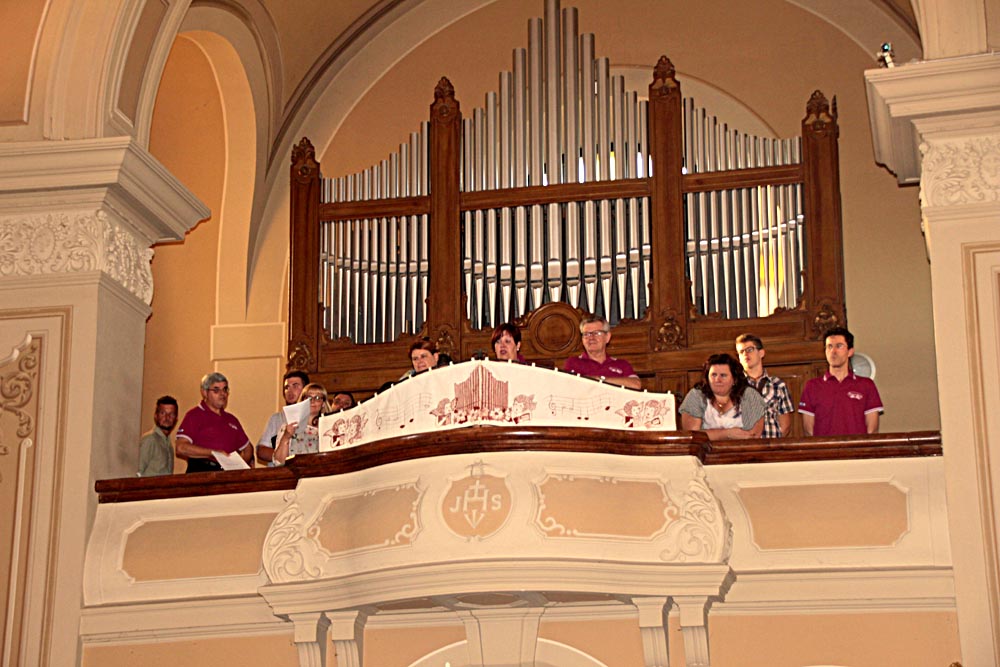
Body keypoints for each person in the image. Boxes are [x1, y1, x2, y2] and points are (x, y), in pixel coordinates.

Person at [799, 326, 883, 436]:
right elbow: (808, 431)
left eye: (839, 346)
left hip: (856, 447)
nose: (833, 351)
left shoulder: (866, 385)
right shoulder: (812, 386)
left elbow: (872, 430)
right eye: (829, 346)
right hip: (825, 447)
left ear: (850, 351)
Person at [175, 372, 254, 472]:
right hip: (202, 472)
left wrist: (238, 467)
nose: (222, 394)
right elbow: (181, 447)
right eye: (216, 390)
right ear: (204, 392)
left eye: (225, 389)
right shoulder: (194, 415)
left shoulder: (232, 420)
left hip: (227, 475)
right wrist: (213, 453)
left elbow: (248, 448)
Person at [679, 353, 767, 440]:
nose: (718, 379)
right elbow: (693, 435)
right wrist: (727, 434)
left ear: (734, 379)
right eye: (713, 375)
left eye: (723, 375)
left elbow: (752, 435)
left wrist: (710, 435)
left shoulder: (749, 395)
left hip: (741, 449)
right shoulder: (696, 396)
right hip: (703, 449)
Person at [735, 334, 794, 437]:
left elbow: (785, 426)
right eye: (741, 352)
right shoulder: (734, 386)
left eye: (749, 350)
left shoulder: (777, 385)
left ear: (761, 353)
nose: (745, 354)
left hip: (772, 443)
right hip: (744, 444)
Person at [563, 315, 641, 389]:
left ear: (607, 337)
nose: (591, 338)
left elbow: (636, 385)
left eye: (596, 333)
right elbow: (569, 386)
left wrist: (600, 379)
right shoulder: (573, 363)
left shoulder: (622, 364)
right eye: (586, 334)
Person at [257, 370, 310, 466]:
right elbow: (261, 451)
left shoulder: (313, 417)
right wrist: (282, 454)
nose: (290, 391)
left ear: (305, 390)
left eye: (295, 386)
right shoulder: (276, 419)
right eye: (286, 387)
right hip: (280, 472)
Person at [274, 383, 331, 465]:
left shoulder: (329, 428)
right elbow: (279, 462)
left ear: (323, 403)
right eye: (308, 397)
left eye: (318, 398)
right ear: (302, 401)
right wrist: (286, 437)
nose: (312, 401)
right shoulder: (289, 427)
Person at [137, 395, 178, 477]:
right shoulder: (149, 440)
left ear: (176, 418)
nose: (167, 417)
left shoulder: (168, 444)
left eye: (172, 414)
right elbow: (137, 473)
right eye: (163, 413)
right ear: (156, 416)